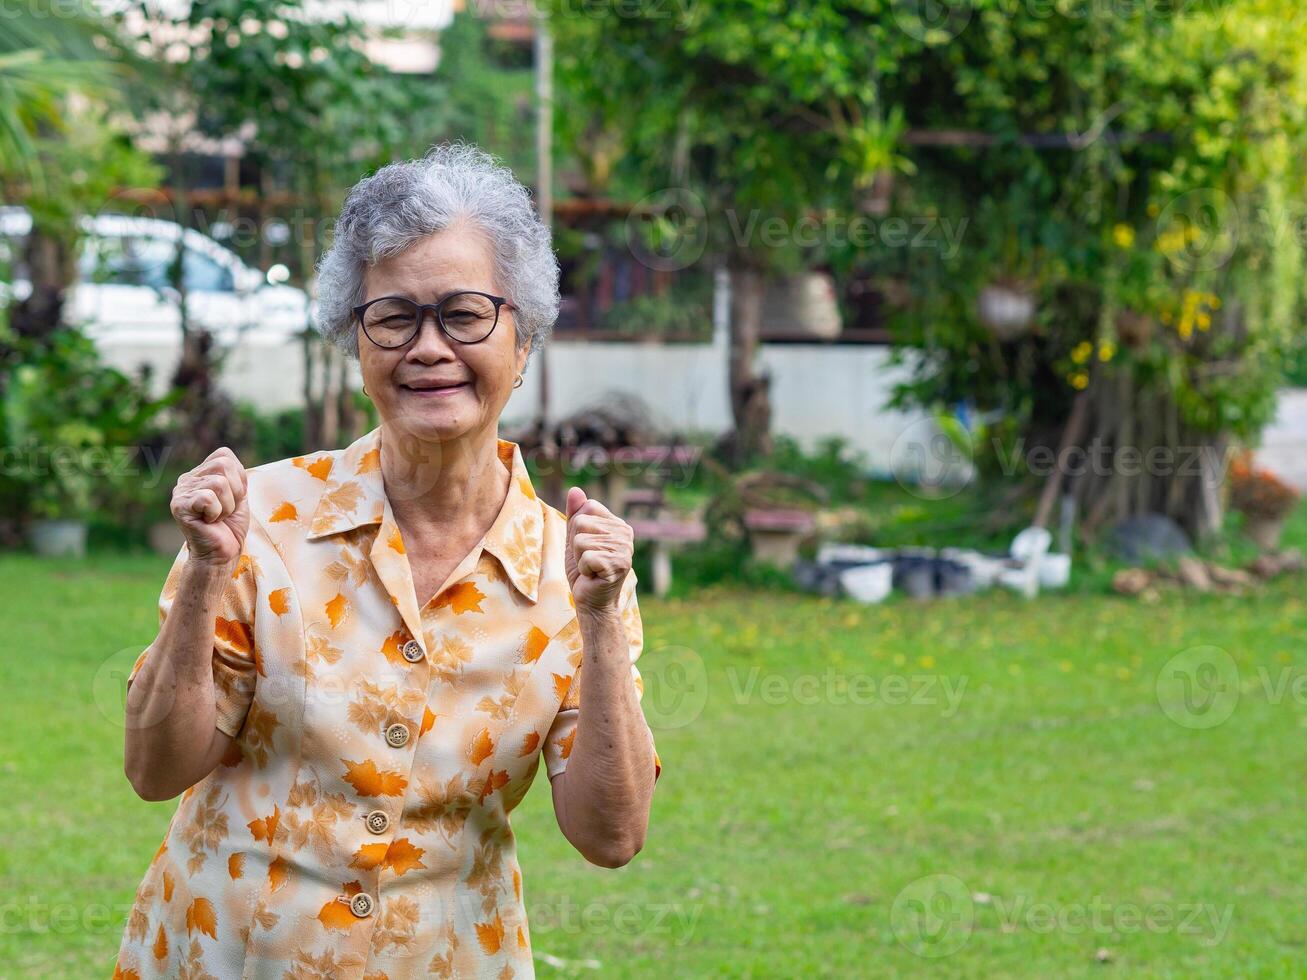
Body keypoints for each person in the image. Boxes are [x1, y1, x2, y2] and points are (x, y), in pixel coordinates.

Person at [114, 143, 661, 979]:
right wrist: (202, 579)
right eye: (394, 317)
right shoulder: (257, 521)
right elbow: (155, 771)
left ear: (524, 338)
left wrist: (598, 622)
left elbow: (610, 836)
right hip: (225, 955)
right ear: (357, 341)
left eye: (465, 313)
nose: (428, 347)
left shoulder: (575, 573)